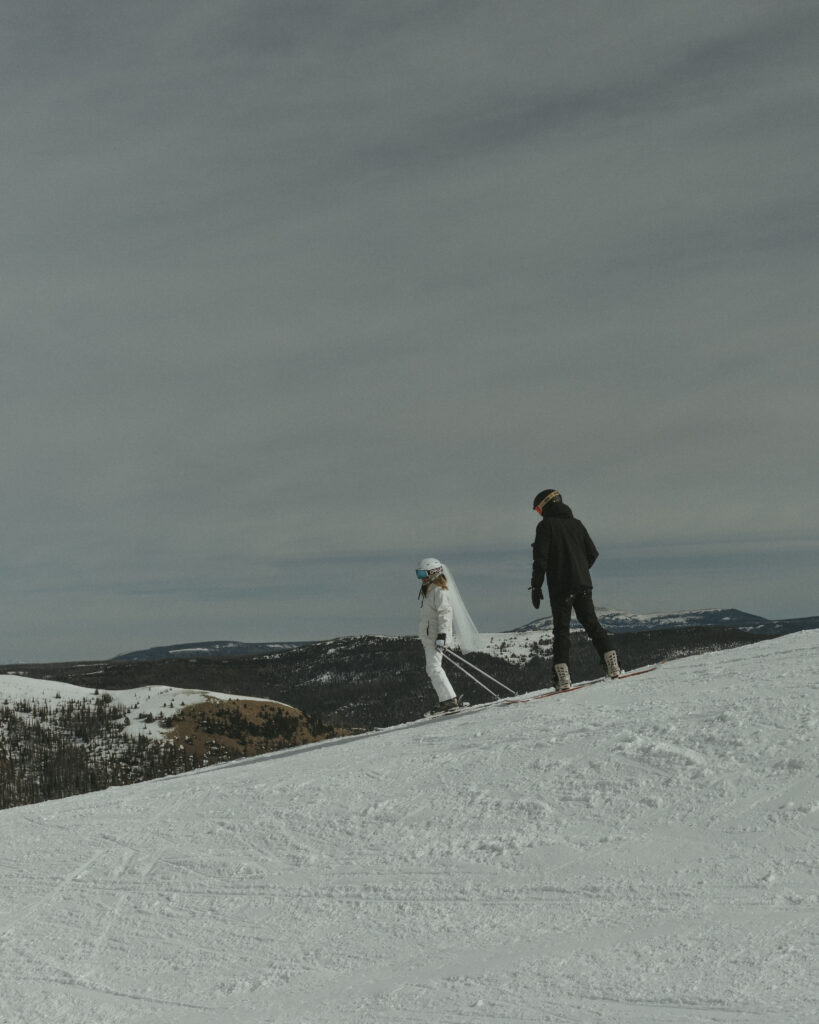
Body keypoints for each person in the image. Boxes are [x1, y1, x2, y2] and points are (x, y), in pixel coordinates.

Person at [529, 489, 620, 691]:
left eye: (537, 508)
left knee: (561, 630)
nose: (538, 513)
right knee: (591, 623)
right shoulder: (577, 524)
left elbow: (540, 559)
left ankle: (563, 679)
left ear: (546, 504)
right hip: (583, 583)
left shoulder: (545, 526)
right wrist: (579, 569)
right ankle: (612, 665)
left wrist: (536, 585)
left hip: (561, 586)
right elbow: (593, 553)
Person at [415, 557, 460, 713]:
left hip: (436, 637)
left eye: (422, 574)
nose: (420, 578)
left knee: (434, 668)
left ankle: (449, 700)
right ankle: (447, 699)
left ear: (433, 573)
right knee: (432, 668)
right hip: (429, 637)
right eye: (418, 574)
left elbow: (446, 614)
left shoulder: (439, 591)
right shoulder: (429, 590)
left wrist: (442, 637)